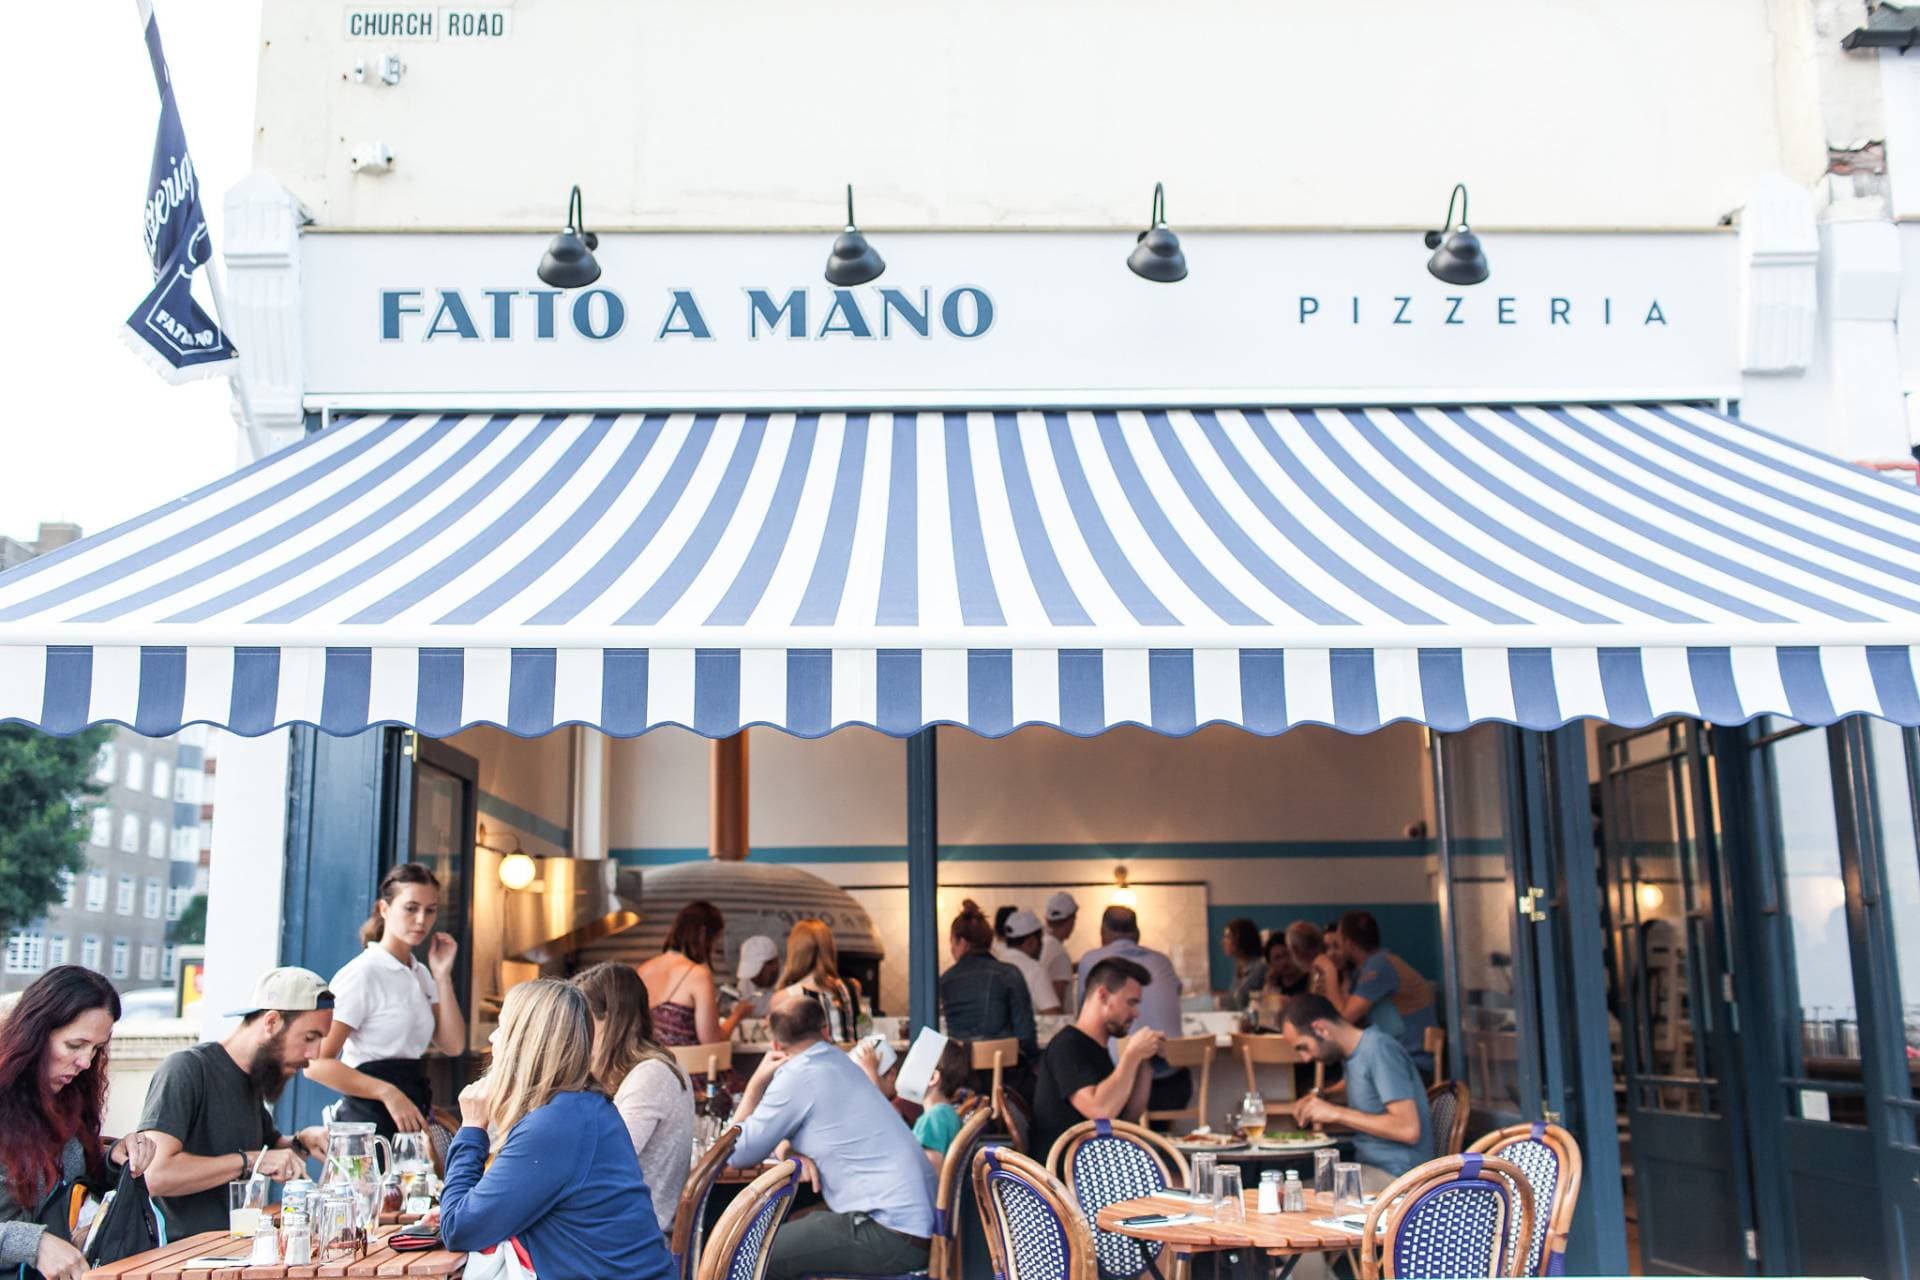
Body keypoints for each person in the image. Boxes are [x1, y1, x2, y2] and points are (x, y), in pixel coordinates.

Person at [440, 980, 675, 1280]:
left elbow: (459, 1229)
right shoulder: (584, 1108)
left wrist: (472, 1127)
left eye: (502, 1027)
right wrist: (480, 1205)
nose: (493, 1038)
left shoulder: (555, 1125)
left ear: (525, 1042)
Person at [727, 993, 936, 1280]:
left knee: (745, 1251)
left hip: (888, 1233)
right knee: (784, 1231)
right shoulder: (841, 1063)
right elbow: (811, 1129)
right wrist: (787, 1150)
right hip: (912, 1228)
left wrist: (754, 1086)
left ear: (776, 1046)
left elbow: (737, 1154)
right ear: (825, 1031)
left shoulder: (796, 1076)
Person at [137, 968, 333, 1239]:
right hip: (181, 1259)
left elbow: (270, 1150)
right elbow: (155, 1175)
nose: (314, 1054)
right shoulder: (187, 1068)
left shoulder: (251, 1080)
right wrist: (250, 1161)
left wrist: (302, 1142)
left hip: (237, 1251)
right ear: (271, 1023)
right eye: (309, 1038)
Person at [0, 967, 153, 1280]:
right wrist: (34, 1243)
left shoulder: (69, 1101)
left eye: (96, 1049)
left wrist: (112, 1159)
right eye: (75, 1045)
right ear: (35, 1033)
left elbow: (76, 1191)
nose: (85, 1062)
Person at [307, 863, 466, 1138]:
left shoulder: (420, 973)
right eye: (411, 908)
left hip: (410, 1114)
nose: (421, 920)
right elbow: (315, 1064)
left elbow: (453, 1045)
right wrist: (388, 1092)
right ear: (384, 908)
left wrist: (442, 975)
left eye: (431, 910)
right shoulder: (362, 973)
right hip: (368, 1119)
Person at [572, 962, 694, 1234]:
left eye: (581, 1015)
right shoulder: (652, 1067)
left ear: (611, 1019)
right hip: (620, 1226)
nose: (573, 1027)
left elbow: (603, 1162)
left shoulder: (651, 1075)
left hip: (631, 1239)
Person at [1281, 993, 1431, 1182]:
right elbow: (1369, 1097)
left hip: (1397, 1175)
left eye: (1304, 1047)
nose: (1306, 1058)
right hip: (1366, 1168)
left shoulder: (1378, 1049)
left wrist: (1336, 1113)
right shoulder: (1353, 1056)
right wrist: (1320, 1099)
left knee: (1291, 1198)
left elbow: (1408, 1129)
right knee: (1287, 1190)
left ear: (1321, 1029)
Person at [1030, 957, 1163, 1161]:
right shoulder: (1067, 1045)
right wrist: (1131, 1055)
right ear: (1102, 995)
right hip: (1066, 1175)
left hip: (1097, 1166)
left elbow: (1128, 1118)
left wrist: (1144, 1063)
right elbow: (1100, 1111)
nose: (1136, 1013)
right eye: (1131, 1003)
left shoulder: (1096, 1047)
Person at [1075, 906, 1187, 1111]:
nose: (1137, 1012)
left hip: (1122, 1083)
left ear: (1103, 933)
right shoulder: (1162, 961)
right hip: (1172, 1080)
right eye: (1132, 1003)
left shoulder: (1091, 960)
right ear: (1137, 933)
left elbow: (1082, 1016)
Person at [1315, 910, 1438, 1070]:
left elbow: (1343, 1019)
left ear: (1349, 944)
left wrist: (1329, 971)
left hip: (1411, 1066)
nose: (1332, 952)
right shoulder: (1375, 965)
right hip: (1398, 1061)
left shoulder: (1379, 967)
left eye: (1338, 943)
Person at [938, 901, 1037, 1065]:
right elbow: (1026, 1035)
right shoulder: (1009, 973)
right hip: (1005, 1076)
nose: (951, 949)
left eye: (952, 943)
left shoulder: (946, 979)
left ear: (962, 942)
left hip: (961, 1078)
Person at [638, 901, 726, 1047]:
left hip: (648, 1067)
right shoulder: (698, 975)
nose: (714, 948)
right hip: (687, 1068)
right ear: (703, 933)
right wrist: (737, 1016)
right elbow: (711, 1040)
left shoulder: (642, 970)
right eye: (715, 940)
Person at [777, 919, 861, 1043]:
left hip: (813, 1061)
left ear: (795, 952)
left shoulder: (786, 995)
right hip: (849, 1060)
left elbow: (784, 1045)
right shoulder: (853, 987)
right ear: (830, 948)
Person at [909, 1038, 974, 1170]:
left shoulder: (932, 1119)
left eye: (913, 1065)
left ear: (933, 1078)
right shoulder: (946, 1113)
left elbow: (931, 1175)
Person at [998, 909, 1062, 1015]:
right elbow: (1052, 1015)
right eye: (1040, 940)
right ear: (1031, 942)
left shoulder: (997, 962)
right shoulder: (1035, 969)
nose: (1042, 946)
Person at [719, 934, 781, 1024]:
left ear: (774, 964)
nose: (753, 978)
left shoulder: (788, 983)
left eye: (758, 972)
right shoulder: (747, 981)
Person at [1041, 892, 1078, 1011]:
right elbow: (1057, 1001)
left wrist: (1073, 967)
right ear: (1071, 921)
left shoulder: (1042, 943)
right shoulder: (1059, 953)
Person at [1220, 917, 1267, 1010]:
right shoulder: (1240, 968)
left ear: (1242, 939)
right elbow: (1231, 1002)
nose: (1223, 941)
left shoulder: (1259, 968)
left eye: (1228, 937)